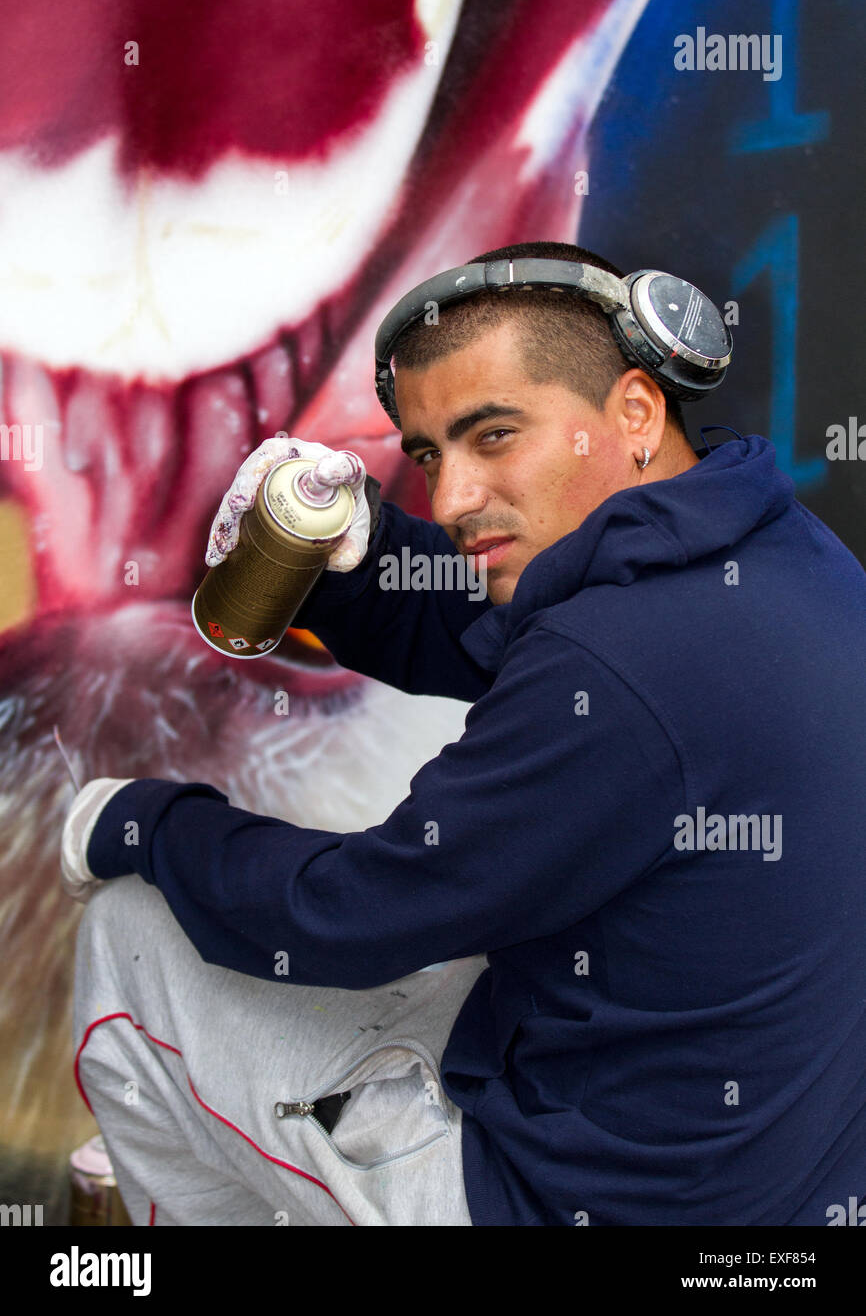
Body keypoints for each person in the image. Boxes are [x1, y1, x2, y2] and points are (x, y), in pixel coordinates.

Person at [64, 240, 866, 1227]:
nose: (446, 502)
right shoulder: (775, 550)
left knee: (133, 931)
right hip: (772, 1175)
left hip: (574, 1203)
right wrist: (348, 550)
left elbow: (345, 917)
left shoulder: (609, 667)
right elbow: (516, 638)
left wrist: (138, 821)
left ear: (632, 412)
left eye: (492, 436)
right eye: (430, 453)